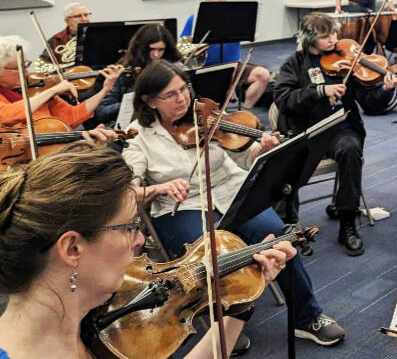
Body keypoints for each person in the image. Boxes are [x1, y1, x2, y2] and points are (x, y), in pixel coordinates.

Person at [122, 61, 345, 347]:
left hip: (231, 192)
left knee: (280, 239)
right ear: (149, 101)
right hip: (182, 206)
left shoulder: (206, 115)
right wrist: (159, 187)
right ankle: (223, 324)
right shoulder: (138, 134)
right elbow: (130, 188)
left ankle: (307, 317)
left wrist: (258, 149)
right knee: (214, 253)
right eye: (171, 94)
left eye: (184, 90)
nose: (182, 98)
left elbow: (239, 155)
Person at [0, 143, 293, 359]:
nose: (139, 239)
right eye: (128, 227)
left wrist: (240, 307)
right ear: (72, 248)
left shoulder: (79, 316)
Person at [273, 12, 397, 256]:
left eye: (334, 33)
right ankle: (289, 229)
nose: (333, 39)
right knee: (284, 165)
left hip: (340, 129)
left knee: (351, 149)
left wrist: (384, 89)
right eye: (325, 36)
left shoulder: (347, 60)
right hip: (308, 132)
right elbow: (283, 99)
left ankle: (348, 224)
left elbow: (369, 103)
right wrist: (320, 91)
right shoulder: (295, 63)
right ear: (311, 39)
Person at [180, 0, 272, 110]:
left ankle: (246, 111)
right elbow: (182, 45)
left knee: (263, 75)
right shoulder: (194, 18)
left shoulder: (236, 15)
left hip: (233, 67)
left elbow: (251, 35)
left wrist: (249, 33)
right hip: (206, 69)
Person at [0, 35, 123, 131]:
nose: (27, 72)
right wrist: (52, 91)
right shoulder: (44, 94)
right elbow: (7, 116)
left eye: (27, 65)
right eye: (20, 68)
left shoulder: (37, 90)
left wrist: (104, 90)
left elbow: (72, 117)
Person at [95, 23, 182, 127]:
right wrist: (133, 103)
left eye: (160, 50)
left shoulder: (174, 68)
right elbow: (102, 112)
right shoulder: (125, 71)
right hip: (131, 129)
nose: (156, 55)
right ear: (142, 48)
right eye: (151, 49)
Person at [36, 2, 91, 68]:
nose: (84, 19)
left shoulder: (99, 35)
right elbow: (43, 64)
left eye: (86, 15)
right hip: (70, 76)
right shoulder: (55, 40)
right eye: (78, 16)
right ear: (67, 20)